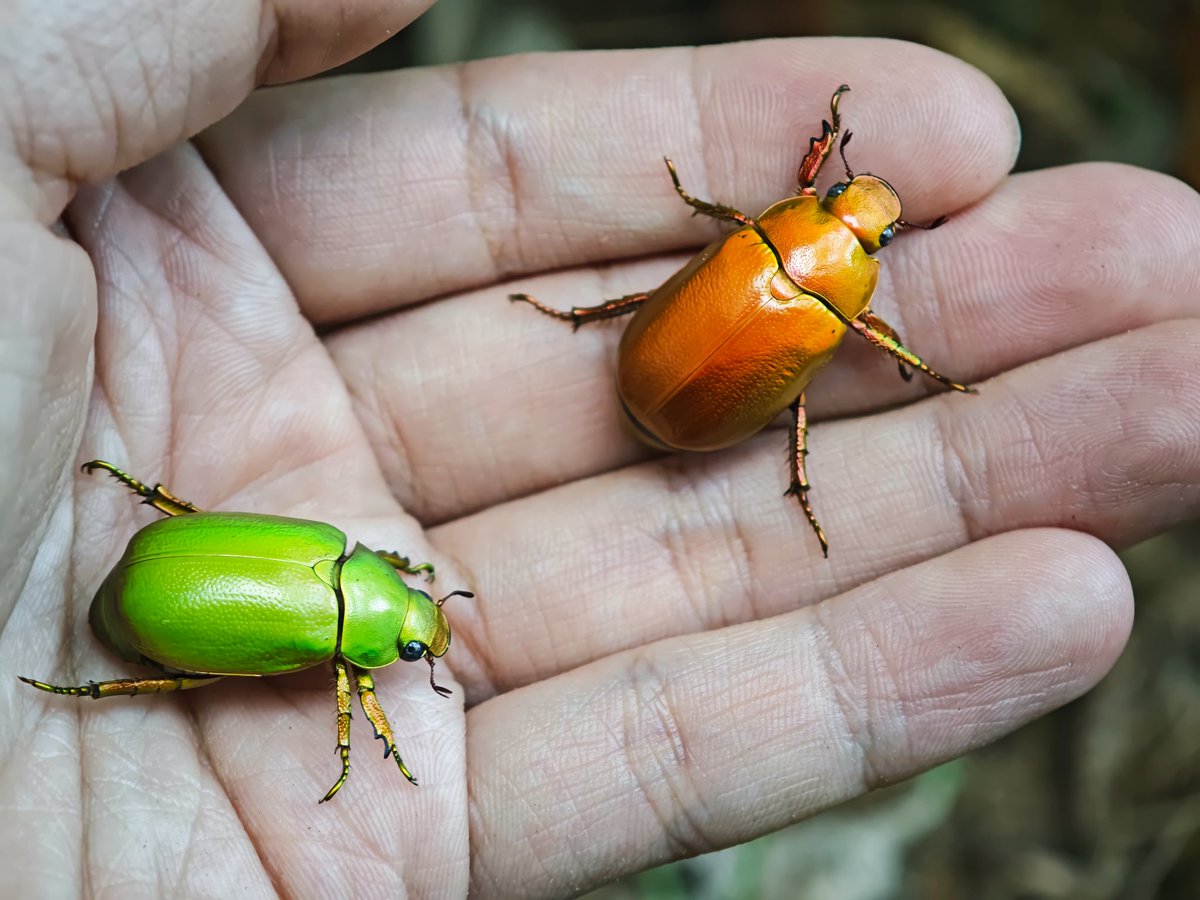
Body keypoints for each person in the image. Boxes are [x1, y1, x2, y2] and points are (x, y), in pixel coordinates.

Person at [3, 2, 1198, 897]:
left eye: (860, 217)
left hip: (680, 380)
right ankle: (98, 669)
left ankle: (105, 638)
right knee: (793, 391)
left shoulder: (777, 247)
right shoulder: (837, 302)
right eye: (845, 194)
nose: (857, 206)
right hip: (673, 388)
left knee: (773, 372)